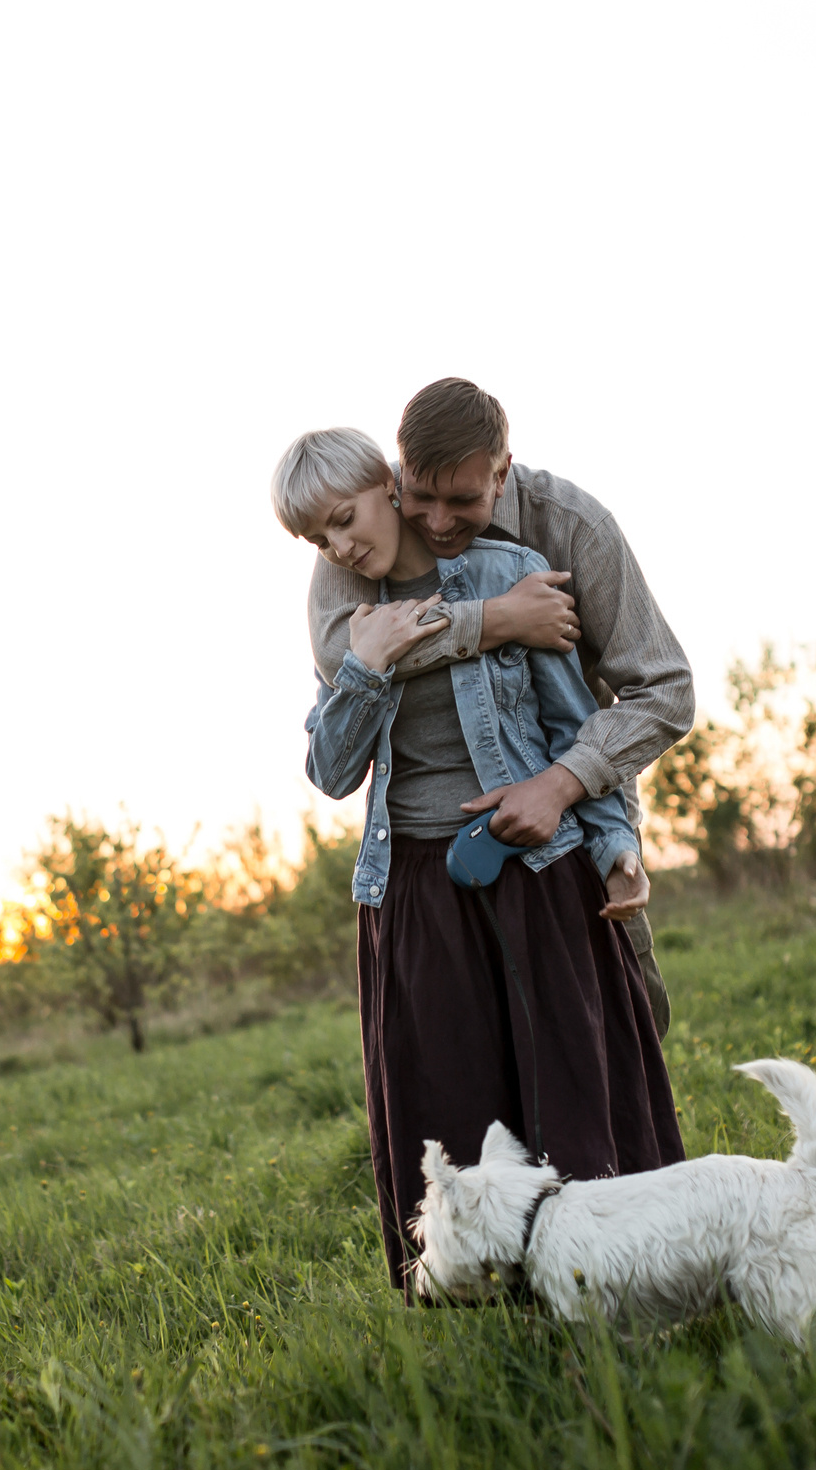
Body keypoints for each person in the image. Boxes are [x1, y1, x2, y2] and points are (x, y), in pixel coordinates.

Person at [274, 425, 684, 1292]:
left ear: (390, 484)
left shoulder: (511, 572)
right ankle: (487, 1307)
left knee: (570, 1093)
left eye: (345, 519)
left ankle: (616, 1284)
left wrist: (615, 843)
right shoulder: (351, 621)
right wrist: (367, 668)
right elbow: (331, 770)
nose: (338, 544)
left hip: (537, 867)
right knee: (451, 1103)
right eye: (317, 536)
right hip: (414, 885)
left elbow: (575, 723)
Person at [305, 377, 694, 1038]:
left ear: (502, 473)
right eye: (420, 497)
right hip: (424, 863)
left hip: (572, 814)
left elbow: (666, 690)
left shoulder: (573, 526)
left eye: (463, 500)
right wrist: (498, 619)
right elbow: (341, 655)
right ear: (397, 477)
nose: (436, 522)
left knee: (621, 1025)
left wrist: (560, 790)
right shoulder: (361, 522)